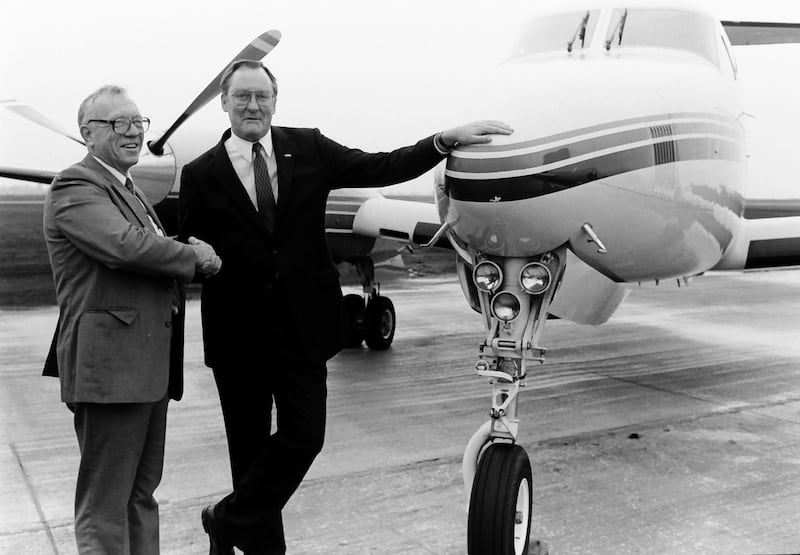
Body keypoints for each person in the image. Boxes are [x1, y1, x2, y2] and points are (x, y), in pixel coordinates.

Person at [178, 59, 512, 555]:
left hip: (302, 330)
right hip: (238, 336)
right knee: (248, 456)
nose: (252, 105)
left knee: (304, 437)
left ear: (274, 100)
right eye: (241, 96)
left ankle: (224, 518)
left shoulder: (308, 147)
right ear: (224, 102)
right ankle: (262, 547)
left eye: (261, 96)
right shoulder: (201, 173)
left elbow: (380, 165)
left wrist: (443, 140)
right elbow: (190, 244)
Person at [42, 84, 221, 554]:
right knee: (105, 504)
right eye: (117, 123)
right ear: (87, 133)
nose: (133, 133)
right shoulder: (75, 185)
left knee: (140, 496)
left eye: (138, 123)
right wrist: (194, 255)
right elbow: (125, 247)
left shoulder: (129, 189)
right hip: (111, 371)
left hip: (146, 371)